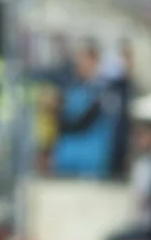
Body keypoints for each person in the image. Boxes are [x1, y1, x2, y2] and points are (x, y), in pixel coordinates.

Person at [51, 41, 121, 178]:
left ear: (94, 61)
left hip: (91, 161)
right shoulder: (74, 87)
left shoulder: (104, 90)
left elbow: (83, 121)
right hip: (67, 157)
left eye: (84, 60)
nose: (80, 65)